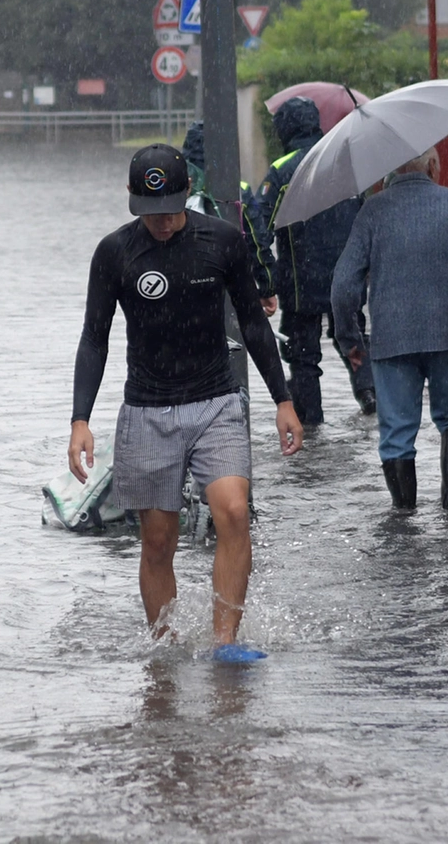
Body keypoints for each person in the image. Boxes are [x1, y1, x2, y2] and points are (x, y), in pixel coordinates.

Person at [70, 143, 304, 658]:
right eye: (149, 213)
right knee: (158, 539)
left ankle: (225, 643)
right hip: (147, 410)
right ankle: (164, 646)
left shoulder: (220, 242)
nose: (160, 222)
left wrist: (283, 400)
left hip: (215, 401)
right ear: (131, 200)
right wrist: (80, 419)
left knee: (234, 513)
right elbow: (94, 338)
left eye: (170, 209)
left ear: (187, 196)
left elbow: (253, 322)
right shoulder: (115, 253)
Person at [330, 147, 448, 512]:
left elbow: (343, 286)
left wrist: (351, 341)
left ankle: (403, 511)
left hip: (393, 340)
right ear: (433, 166)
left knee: (396, 431)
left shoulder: (373, 211)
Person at [253, 97, 376, 424]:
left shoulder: (281, 171)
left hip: (299, 282)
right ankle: (370, 394)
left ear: (285, 129)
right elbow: (364, 219)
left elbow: (258, 229)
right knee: (352, 337)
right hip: (345, 278)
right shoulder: (344, 163)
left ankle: (311, 422)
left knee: (303, 356)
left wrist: (266, 278)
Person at [181, 121, 278, 316]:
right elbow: (257, 242)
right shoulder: (238, 190)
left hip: (183, 289)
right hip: (229, 288)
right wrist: (267, 285)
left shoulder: (177, 189)